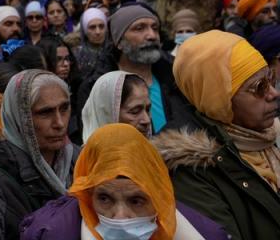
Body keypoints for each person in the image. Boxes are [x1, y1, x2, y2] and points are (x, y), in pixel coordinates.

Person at [153, 30, 280, 239]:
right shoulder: (192, 167)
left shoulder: (266, 133)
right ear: (219, 100)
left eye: (271, 79)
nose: (274, 93)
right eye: (259, 87)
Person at [21, 123, 229, 239]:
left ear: (159, 196)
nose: (120, 217)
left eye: (136, 200)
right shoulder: (49, 235)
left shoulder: (203, 235)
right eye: (104, 198)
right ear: (87, 194)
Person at [0, 69, 80, 240]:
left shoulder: (81, 162)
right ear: (19, 119)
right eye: (45, 112)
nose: (60, 123)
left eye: (64, 108)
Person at [76, 5, 187, 135]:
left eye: (155, 28)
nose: (151, 35)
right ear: (119, 42)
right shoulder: (96, 87)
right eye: (139, 28)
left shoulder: (175, 78)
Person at [80, 71, 151, 141]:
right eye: (135, 112)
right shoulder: (90, 152)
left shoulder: (152, 151)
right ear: (108, 113)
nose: (147, 120)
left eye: (148, 110)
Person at [73, 7, 107, 79]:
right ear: (85, 30)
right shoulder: (76, 55)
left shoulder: (114, 52)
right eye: (92, 27)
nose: (98, 32)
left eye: (101, 26)